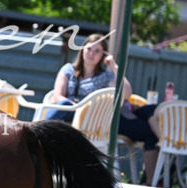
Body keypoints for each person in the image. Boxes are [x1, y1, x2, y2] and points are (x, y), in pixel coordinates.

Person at [46, 33, 159, 180]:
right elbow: (57, 97)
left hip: (94, 120)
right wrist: (79, 107)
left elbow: (127, 93)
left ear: (103, 55)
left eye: (97, 51)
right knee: (63, 103)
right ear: (82, 50)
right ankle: (39, 132)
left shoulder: (105, 76)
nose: (91, 54)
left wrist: (113, 66)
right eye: (89, 49)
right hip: (72, 111)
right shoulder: (68, 70)